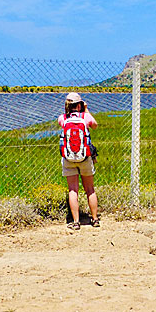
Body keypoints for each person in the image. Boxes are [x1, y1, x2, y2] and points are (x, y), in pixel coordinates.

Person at [58, 92, 99, 230]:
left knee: (73, 190)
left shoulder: (62, 118)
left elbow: (63, 125)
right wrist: (86, 109)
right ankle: (94, 219)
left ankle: (76, 222)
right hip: (85, 157)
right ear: (80, 104)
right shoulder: (85, 117)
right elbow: (95, 125)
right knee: (90, 189)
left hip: (69, 158)